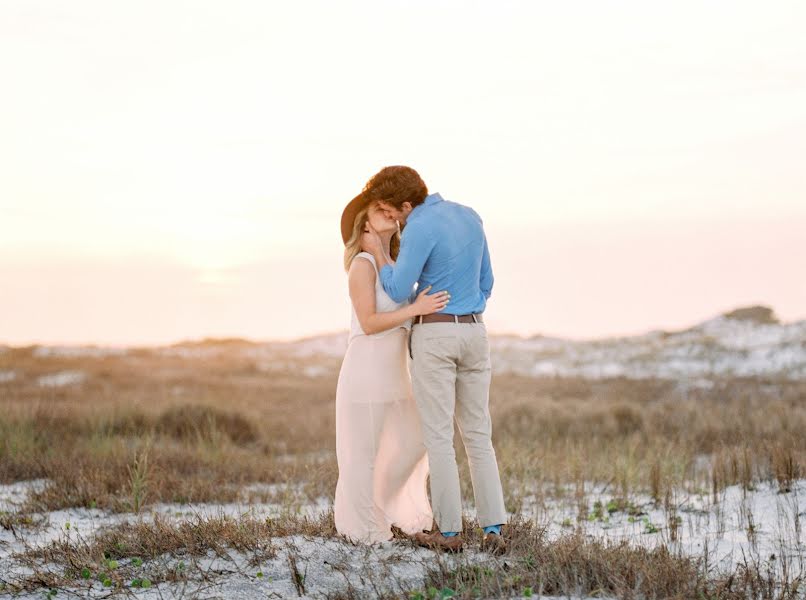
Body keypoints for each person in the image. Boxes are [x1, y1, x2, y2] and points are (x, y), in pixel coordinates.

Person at [360, 165, 508, 555]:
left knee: (439, 436)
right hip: (475, 331)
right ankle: (493, 529)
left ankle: (449, 531)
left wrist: (377, 251)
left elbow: (396, 286)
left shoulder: (420, 226)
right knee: (478, 435)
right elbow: (487, 282)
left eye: (395, 212)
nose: (394, 220)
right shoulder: (470, 215)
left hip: (435, 333)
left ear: (408, 203)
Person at [334, 193, 450, 543]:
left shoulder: (395, 267)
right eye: (376, 207)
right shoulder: (363, 264)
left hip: (398, 376)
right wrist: (415, 308)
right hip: (367, 371)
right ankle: (365, 530)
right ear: (364, 223)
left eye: (390, 206)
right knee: (364, 454)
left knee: (417, 441)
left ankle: (383, 507)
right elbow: (369, 322)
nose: (386, 209)